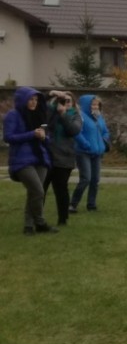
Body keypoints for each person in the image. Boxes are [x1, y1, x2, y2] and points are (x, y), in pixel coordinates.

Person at [4, 86, 58, 234]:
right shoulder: (13, 115)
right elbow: (8, 137)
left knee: (33, 193)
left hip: (40, 158)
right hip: (21, 160)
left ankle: (29, 226)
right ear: (23, 100)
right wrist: (32, 134)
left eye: (36, 99)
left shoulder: (39, 115)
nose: (34, 102)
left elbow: (46, 138)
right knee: (38, 191)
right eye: (30, 99)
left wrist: (44, 137)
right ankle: (40, 222)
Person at [42, 91, 82, 226]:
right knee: (40, 188)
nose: (66, 103)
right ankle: (37, 217)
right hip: (47, 156)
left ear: (73, 103)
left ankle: (63, 219)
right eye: (63, 100)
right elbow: (39, 105)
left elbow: (74, 131)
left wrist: (63, 114)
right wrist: (50, 94)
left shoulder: (76, 116)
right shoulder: (50, 112)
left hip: (64, 158)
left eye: (68, 101)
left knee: (61, 189)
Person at [70, 94, 111, 213]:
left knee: (95, 180)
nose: (95, 107)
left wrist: (104, 140)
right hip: (83, 152)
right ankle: (73, 204)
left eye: (97, 104)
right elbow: (77, 132)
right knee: (86, 179)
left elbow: (105, 131)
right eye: (93, 104)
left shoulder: (99, 117)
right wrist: (85, 144)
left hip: (97, 152)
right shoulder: (80, 117)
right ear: (86, 105)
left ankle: (91, 204)